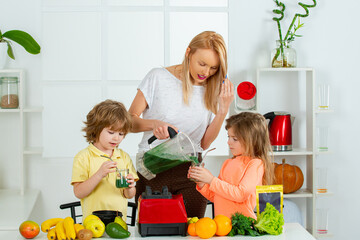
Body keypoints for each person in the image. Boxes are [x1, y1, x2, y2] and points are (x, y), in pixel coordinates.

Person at [128, 31, 234, 218]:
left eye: (213, 68)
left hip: (190, 171)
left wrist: (223, 110)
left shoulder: (212, 88)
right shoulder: (158, 77)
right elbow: (129, 122)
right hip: (153, 169)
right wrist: (154, 125)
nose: (206, 72)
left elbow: (204, 143)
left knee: (194, 231)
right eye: (202, 64)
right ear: (188, 53)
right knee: (153, 231)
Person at [188, 112, 274, 219]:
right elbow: (217, 196)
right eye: (228, 137)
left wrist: (211, 180)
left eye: (235, 139)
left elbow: (241, 194)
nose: (228, 142)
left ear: (251, 140)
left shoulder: (255, 164)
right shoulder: (227, 163)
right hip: (223, 227)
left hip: (242, 229)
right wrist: (202, 182)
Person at [71, 99, 138, 221]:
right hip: (92, 222)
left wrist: (130, 187)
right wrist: (99, 174)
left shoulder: (124, 157)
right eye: (111, 132)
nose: (116, 138)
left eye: (121, 134)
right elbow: (79, 193)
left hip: (119, 222)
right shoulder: (84, 157)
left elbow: (129, 195)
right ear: (96, 129)